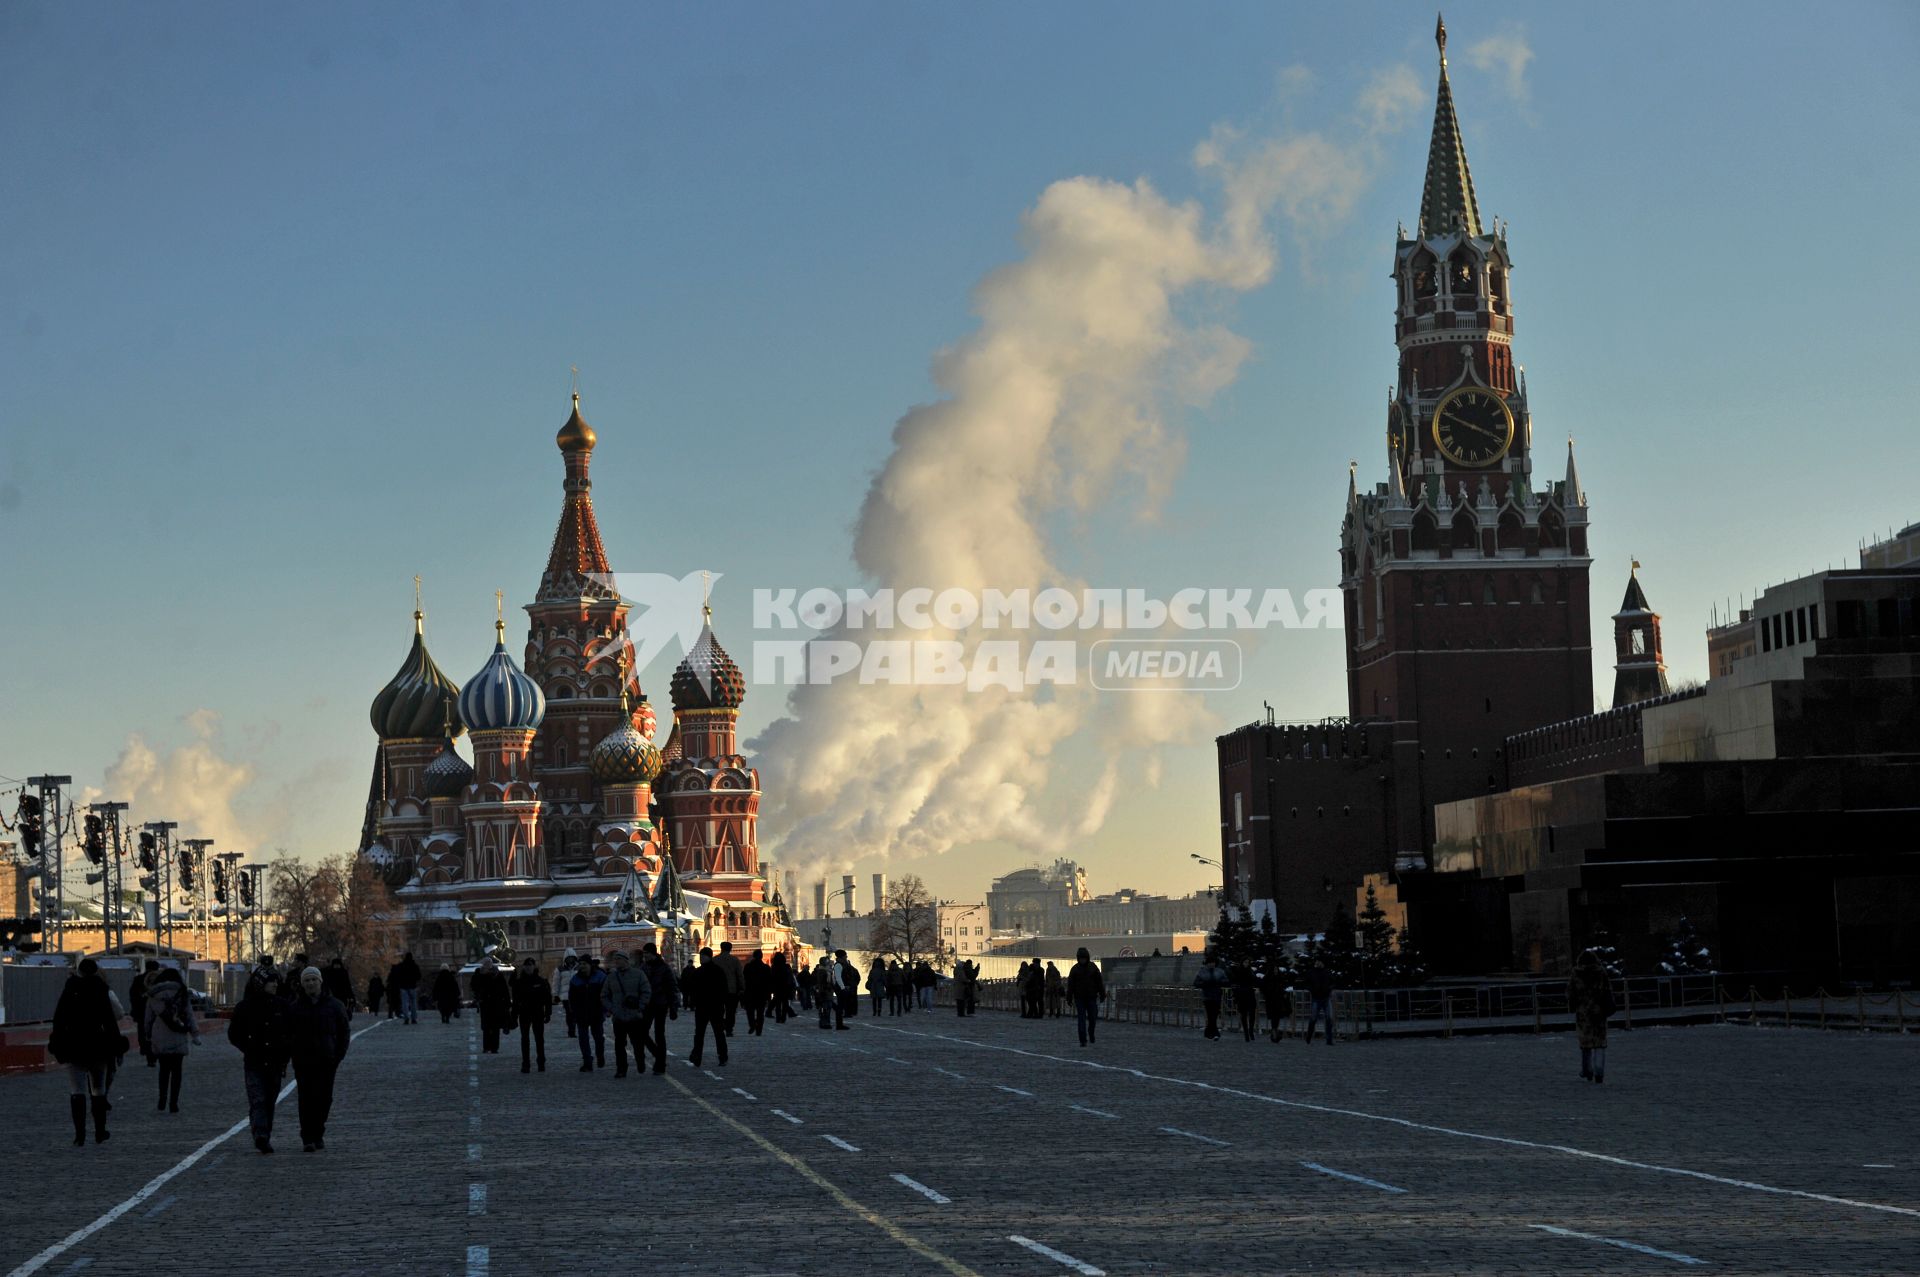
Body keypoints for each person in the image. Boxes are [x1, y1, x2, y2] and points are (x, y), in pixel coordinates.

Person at [49, 958, 125, 1146]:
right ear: (96, 971)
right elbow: (111, 1020)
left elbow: (58, 1019)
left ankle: (79, 1136)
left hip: (73, 1045)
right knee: (98, 1090)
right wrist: (117, 1045)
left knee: (77, 1090)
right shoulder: (101, 989)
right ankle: (100, 1132)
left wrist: (56, 1042)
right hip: (98, 1046)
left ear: (79, 971)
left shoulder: (70, 989)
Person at [227, 965, 294, 1152]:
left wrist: (285, 1051)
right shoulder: (246, 1007)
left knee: (270, 1100)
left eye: (275, 981)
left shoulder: (282, 1005)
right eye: (270, 981)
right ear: (260, 983)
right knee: (258, 1099)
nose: (274, 985)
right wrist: (248, 1047)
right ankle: (261, 1135)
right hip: (254, 1062)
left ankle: (265, 1132)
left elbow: (291, 1032)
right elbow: (234, 1034)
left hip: (275, 1062)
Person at [288, 966, 350, 1152]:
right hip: (303, 1061)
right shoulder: (295, 1008)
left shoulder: (334, 1005)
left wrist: (338, 1055)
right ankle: (308, 1136)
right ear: (302, 984)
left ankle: (318, 1131)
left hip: (327, 1060)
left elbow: (344, 1032)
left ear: (320, 982)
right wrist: (293, 1054)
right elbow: (287, 1033)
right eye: (307, 980)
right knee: (306, 1099)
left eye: (314, 980)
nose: (310, 983)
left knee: (324, 1099)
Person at [143, 968, 200, 1112]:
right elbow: (189, 1015)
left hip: (160, 1034)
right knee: (177, 1071)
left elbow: (148, 1019)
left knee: (163, 1070)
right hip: (178, 1034)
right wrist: (195, 1034)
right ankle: (173, 1103)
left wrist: (148, 1034)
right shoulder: (182, 993)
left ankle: (162, 1100)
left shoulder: (154, 995)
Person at [601, 950, 653, 1078]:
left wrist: (640, 1006)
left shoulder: (638, 974)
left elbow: (646, 991)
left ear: (626, 960)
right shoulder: (611, 977)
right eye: (615, 959)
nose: (616, 961)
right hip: (618, 1017)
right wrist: (612, 1008)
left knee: (637, 1043)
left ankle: (640, 1061)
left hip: (635, 1015)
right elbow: (604, 995)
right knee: (619, 1045)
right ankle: (621, 1069)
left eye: (619, 959)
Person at [1569, 950, 1617, 1083]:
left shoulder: (1576, 973)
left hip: (1583, 1012)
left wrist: (1573, 1006)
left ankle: (1587, 1070)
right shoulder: (1601, 972)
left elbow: (1571, 992)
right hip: (1599, 1011)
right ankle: (1599, 1072)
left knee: (1585, 1043)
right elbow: (1608, 990)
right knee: (1600, 1043)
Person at [640, 944, 679, 1074]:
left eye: (647, 954)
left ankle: (660, 1064)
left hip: (660, 1004)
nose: (645, 956)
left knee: (659, 1034)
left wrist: (673, 1007)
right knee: (642, 1033)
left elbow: (672, 987)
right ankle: (658, 1055)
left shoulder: (664, 968)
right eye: (644, 954)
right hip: (646, 1005)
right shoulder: (643, 967)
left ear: (653, 954)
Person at [687, 948, 730, 1067]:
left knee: (717, 1033)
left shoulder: (716, 971)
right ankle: (697, 1057)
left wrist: (723, 1004)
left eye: (704, 956)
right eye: (701, 956)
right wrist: (693, 1002)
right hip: (703, 1007)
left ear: (709, 957)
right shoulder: (700, 971)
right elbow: (693, 989)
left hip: (714, 1007)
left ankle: (722, 1057)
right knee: (700, 1034)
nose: (701, 958)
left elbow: (723, 989)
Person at [511, 957, 552, 1073]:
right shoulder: (519, 983)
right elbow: (515, 1001)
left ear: (534, 967)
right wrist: (513, 1017)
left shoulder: (541, 981)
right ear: (524, 967)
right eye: (527, 965)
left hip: (538, 1013)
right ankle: (526, 1064)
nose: (529, 967)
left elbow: (547, 999)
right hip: (524, 1014)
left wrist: (548, 1013)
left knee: (539, 1039)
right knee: (525, 1039)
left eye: (530, 965)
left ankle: (541, 1062)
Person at [567, 954, 607, 1071]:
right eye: (580, 964)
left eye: (584, 964)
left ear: (590, 965)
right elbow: (572, 998)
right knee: (583, 1039)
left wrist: (605, 1010)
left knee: (598, 1038)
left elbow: (605, 994)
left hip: (596, 1012)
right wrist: (573, 1012)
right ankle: (587, 1062)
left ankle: (600, 1056)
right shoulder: (575, 979)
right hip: (581, 1013)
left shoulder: (600, 976)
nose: (582, 966)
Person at [1066, 947, 1105, 1046]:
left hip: (1091, 997)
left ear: (1087, 958)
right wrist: (1069, 997)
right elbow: (1070, 985)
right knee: (1081, 1019)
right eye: (1081, 958)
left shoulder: (1093, 967)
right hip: (1080, 998)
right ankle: (1083, 1040)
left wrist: (1102, 993)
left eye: (1084, 958)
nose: (1082, 960)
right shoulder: (1074, 969)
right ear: (1078, 958)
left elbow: (1099, 981)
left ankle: (1091, 1033)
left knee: (1093, 1018)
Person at [130, 959, 160, 1068]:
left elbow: (133, 997)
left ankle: (148, 1054)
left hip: (142, 1012)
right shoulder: (161, 980)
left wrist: (135, 1011)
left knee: (144, 1033)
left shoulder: (138, 979)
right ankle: (155, 1054)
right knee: (157, 1033)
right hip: (158, 1013)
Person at [1193, 953, 1227, 1040]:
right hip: (1207, 996)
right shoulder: (1202, 972)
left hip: (1217, 995)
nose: (1212, 964)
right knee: (1210, 1014)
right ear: (1207, 963)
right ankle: (1215, 1033)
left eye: (1213, 962)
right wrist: (1205, 984)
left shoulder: (1220, 971)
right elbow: (1196, 983)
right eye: (1210, 962)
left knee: (1214, 1015)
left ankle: (1208, 1032)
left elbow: (1226, 981)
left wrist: (1220, 983)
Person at [1303, 959, 1336, 1046]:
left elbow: (1333, 981)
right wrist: (1311, 990)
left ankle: (1329, 1040)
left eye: (1320, 961)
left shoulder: (1327, 972)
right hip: (1316, 998)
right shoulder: (1311, 972)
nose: (1318, 963)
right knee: (1313, 1018)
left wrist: (1329, 988)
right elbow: (1306, 982)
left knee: (1329, 1018)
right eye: (1317, 961)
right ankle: (1308, 1037)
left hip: (1326, 997)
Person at [714, 941, 745, 1034]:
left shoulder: (715, 960)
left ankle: (722, 1023)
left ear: (721, 948)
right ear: (730, 949)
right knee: (731, 1011)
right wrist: (742, 987)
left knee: (718, 1010)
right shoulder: (735, 960)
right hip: (732, 989)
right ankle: (729, 1028)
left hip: (718, 989)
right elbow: (740, 975)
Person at [1260, 962, 1294, 1042]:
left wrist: (1283, 993)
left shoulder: (1280, 977)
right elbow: (1263, 988)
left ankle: (1274, 1033)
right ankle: (1274, 1033)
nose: (1275, 971)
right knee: (1274, 1017)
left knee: (1277, 1017)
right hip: (1271, 1001)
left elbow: (1283, 987)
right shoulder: (1268, 978)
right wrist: (1268, 994)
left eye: (1276, 969)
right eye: (1274, 969)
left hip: (1279, 1000)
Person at [741, 950, 770, 1036]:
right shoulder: (766, 968)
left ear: (753, 956)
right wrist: (768, 995)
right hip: (762, 993)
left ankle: (752, 1024)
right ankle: (759, 1030)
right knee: (760, 1013)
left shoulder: (748, 967)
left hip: (750, 992)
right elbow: (769, 983)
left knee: (750, 1011)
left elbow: (744, 979)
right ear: (761, 957)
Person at [1230, 962, 1259, 1042]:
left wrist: (1255, 987)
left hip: (1250, 994)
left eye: (1247, 962)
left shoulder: (1251, 971)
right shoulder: (1238, 971)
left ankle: (1250, 1031)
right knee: (1244, 1014)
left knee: (1252, 1014)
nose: (1246, 964)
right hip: (1242, 995)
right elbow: (1234, 982)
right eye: (1245, 962)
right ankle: (1246, 1033)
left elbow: (1255, 981)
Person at [554, 951, 580, 1038]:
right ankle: (571, 1030)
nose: (570, 959)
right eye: (568, 958)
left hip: (577, 994)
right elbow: (556, 983)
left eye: (572, 958)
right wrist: (555, 995)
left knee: (576, 1013)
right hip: (565, 995)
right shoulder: (560, 969)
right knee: (569, 1013)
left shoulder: (579, 967)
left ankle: (575, 1028)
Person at [392, 951, 422, 1024]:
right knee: (413, 1003)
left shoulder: (402, 965)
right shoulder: (415, 966)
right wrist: (414, 980)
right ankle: (414, 1018)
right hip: (412, 986)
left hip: (403, 986)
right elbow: (419, 976)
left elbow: (397, 975)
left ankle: (406, 1018)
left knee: (405, 1003)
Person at [768, 952, 794, 1025]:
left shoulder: (774, 967)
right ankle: (783, 1018)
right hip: (785, 987)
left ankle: (778, 1018)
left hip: (777, 987)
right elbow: (790, 977)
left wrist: (771, 987)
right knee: (785, 1003)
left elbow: (771, 978)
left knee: (778, 1004)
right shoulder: (787, 966)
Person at [834, 951, 858, 1027]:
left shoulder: (844, 965)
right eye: (845, 956)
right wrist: (843, 987)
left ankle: (841, 1022)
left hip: (844, 987)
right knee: (840, 1006)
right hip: (842, 988)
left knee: (843, 1004)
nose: (846, 957)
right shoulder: (838, 965)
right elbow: (838, 978)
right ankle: (839, 1024)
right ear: (842, 957)